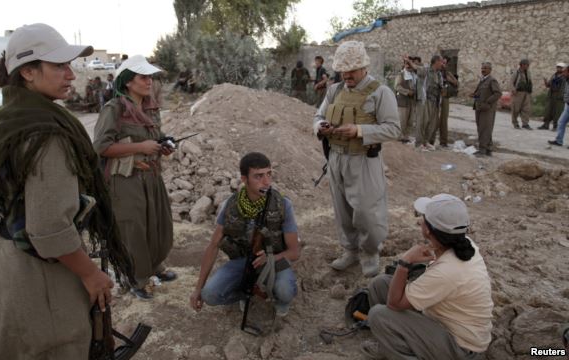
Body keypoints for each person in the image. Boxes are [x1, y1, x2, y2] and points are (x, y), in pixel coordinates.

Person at [0, 23, 134, 359]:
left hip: (11, 264)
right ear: (29, 72)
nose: (70, 74)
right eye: (59, 66)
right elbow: (49, 228)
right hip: (40, 277)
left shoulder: (9, 119)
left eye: (69, 65)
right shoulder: (46, 133)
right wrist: (91, 274)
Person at [361, 194, 493, 359]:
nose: (420, 221)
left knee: (379, 315)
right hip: (445, 324)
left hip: (462, 349)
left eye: (423, 218)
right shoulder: (464, 243)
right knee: (379, 284)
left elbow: (394, 304)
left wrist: (405, 263)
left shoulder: (447, 271)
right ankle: (390, 343)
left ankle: (401, 352)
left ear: (428, 230)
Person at [313, 41, 400, 277]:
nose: (347, 75)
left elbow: (393, 129)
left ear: (364, 67)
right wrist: (321, 127)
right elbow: (319, 115)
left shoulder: (380, 92)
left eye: (352, 70)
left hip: (363, 160)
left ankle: (370, 253)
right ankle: (350, 250)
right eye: (343, 70)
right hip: (336, 159)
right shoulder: (334, 91)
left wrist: (360, 131)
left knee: (367, 212)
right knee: (342, 211)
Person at [94, 55, 176, 300]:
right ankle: (137, 279)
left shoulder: (149, 107)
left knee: (157, 223)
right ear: (128, 82)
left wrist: (164, 144)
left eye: (150, 76)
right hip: (126, 180)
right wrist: (140, 148)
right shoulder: (114, 109)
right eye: (143, 77)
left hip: (151, 176)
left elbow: (155, 136)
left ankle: (155, 266)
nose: (148, 81)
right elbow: (100, 147)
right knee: (134, 229)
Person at [190, 152, 300, 317]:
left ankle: (280, 301)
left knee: (285, 291)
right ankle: (246, 293)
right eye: (258, 176)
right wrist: (198, 288)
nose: (267, 182)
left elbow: (294, 252)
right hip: (243, 261)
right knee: (210, 294)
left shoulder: (283, 204)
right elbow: (213, 246)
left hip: (274, 261)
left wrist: (270, 259)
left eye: (269, 174)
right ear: (244, 179)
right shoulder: (231, 205)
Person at [405, 54, 444, 151]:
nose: (442, 64)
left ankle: (425, 142)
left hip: (435, 102)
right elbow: (415, 68)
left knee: (431, 124)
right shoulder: (426, 70)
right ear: (436, 62)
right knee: (422, 122)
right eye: (441, 62)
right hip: (424, 101)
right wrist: (409, 61)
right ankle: (419, 144)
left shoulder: (439, 74)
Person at [471, 62, 502, 157]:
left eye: (485, 68)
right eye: (482, 68)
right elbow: (482, 93)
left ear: (490, 70)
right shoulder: (483, 80)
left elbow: (497, 93)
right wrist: (475, 95)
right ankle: (488, 149)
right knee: (483, 129)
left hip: (487, 109)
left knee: (484, 129)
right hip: (479, 108)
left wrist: (488, 102)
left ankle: (482, 150)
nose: (483, 70)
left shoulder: (492, 80)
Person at [436, 56, 459, 147]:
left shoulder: (448, 73)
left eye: (445, 63)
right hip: (435, 97)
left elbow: (457, 83)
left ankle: (443, 141)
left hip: (445, 98)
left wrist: (450, 80)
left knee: (444, 120)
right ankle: (430, 140)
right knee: (433, 120)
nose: (443, 65)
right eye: (442, 63)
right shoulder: (435, 72)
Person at [394, 58, 418, 143]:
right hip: (403, 102)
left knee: (410, 121)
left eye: (409, 64)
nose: (408, 66)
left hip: (411, 102)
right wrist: (407, 92)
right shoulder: (401, 74)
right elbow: (397, 86)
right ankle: (400, 136)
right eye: (407, 64)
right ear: (404, 64)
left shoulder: (414, 75)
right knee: (402, 121)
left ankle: (406, 136)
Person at [539, 62, 567, 130]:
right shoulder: (554, 75)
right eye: (558, 67)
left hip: (559, 97)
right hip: (552, 95)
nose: (558, 68)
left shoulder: (565, 77)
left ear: (563, 69)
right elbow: (549, 85)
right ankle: (546, 124)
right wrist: (546, 82)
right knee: (548, 110)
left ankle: (556, 126)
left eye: (560, 67)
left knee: (558, 112)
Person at [548, 65, 569, 147]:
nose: (563, 73)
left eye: (565, 72)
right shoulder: (566, 80)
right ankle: (559, 140)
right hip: (567, 105)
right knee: (561, 122)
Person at [511, 59, 533, 130]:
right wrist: (513, 89)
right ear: (522, 65)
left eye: (528, 65)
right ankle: (515, 123)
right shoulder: (516, 73)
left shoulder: (528, 73)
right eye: (526, 64)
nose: (527, 66)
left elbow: (529, 81)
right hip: (518, 93)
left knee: (526, 109)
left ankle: (525, 123)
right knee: (516, 109)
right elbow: (511, 82)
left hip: (526, 93)